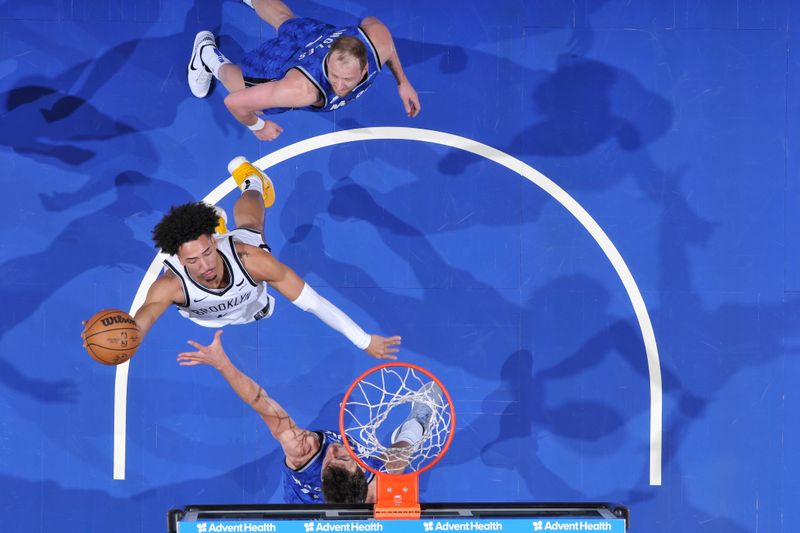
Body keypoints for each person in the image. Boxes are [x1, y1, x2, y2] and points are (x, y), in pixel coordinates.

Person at [130, 156, 401, 360]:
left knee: (251, 225)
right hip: (208, 316)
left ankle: (253, 182)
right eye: (192, 261)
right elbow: (145, 318)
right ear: (178, 259)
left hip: (250, 291)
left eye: (207, 253)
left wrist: (363, 340)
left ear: (213, 240)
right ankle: (227, 215)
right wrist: (123, 340)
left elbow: (314, 303)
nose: (205, 266)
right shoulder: (171, 286)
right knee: (245, 228)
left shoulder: (252, 260)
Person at [177, 329, 439, 503]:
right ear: (356, 469)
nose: (335, 450)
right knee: (396, 461)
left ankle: (413, 426)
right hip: (321, 506)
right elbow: (261, 401)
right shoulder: (325, 459)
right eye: (343, 457)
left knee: (392, 469)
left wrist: (222, 364)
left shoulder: (302, 448)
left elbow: (261, 402)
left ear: (325, 471)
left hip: (307, 509)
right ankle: (415, 425)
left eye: (332, 459)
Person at [186, 0, 421, 141]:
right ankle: (206, 56)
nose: (338, 86)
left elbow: (374, 26)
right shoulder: (301, 91)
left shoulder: (378, 41)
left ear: (365, 68)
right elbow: (234, 103)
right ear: (329, 60)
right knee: (241, 85)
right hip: (285, 66)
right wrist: (258, 127)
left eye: (347, 80)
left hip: (315, 37)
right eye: (334, 75)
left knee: (287, 21)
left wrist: (403, 82)